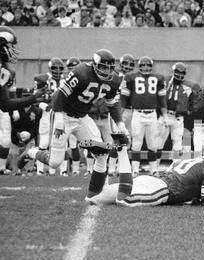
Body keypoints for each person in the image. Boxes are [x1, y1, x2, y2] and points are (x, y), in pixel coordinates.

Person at [19, 49, 128, 197]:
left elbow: (112, 103)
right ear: (95, 65)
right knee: (54, 162)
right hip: (63, 115)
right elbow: (58, 94)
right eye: (103, 67)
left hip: (82, 118)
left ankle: (100, 191)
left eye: (109, 68)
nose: (107, 71)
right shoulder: (81, 72)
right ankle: (31, 152)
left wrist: (120, 124)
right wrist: (58, 120)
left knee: (101, 153)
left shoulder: (114, 80)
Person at [81, 137, 204, 207]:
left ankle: (100, 161)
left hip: (151, 179)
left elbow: (193, 197)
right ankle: (122, 150)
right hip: (162, 189)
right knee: (124, 200)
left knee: (94, 198)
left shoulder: (186, 161)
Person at [0, 26, 45, 175]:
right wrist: (32, 98)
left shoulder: (4, 69)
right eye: (9, 46)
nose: (12, 49)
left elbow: (5, 104)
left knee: (5, 141)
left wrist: (31, 99)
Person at [120, 55, 168, 176]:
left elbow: (162, 99)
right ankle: (135, 170)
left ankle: (154, 169)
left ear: (151, 66)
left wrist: (165, 115)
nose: (146, 67)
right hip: (137, 113)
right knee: (136, 142)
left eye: (148, 65)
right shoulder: (130, 77)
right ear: (139, 66)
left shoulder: (159, 78)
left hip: (152, 114)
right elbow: (124, 98)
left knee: (153, 143)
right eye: (143, 65)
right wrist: (119, 115)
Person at [160, 62, 201, 155]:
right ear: (173, 72)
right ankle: (155, 168)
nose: (179, 75)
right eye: (177, 72)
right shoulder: (165, 82)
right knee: (159, 143)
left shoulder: (190, 85)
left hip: (178, 117)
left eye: (182, 73)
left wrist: (189, 111)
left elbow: (198, 100)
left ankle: (175, 166)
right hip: (165, 116)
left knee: (177, 143)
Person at [9, 103, 42, 175]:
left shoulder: (37, 111)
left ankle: (29, 170)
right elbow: (10, 125)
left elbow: (37, 128)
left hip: (29, 136)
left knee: (31, 151)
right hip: (16, 135)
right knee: (13, 153)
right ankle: (15, 171)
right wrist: (17, 134)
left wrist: (29, 135)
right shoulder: (14, 109)